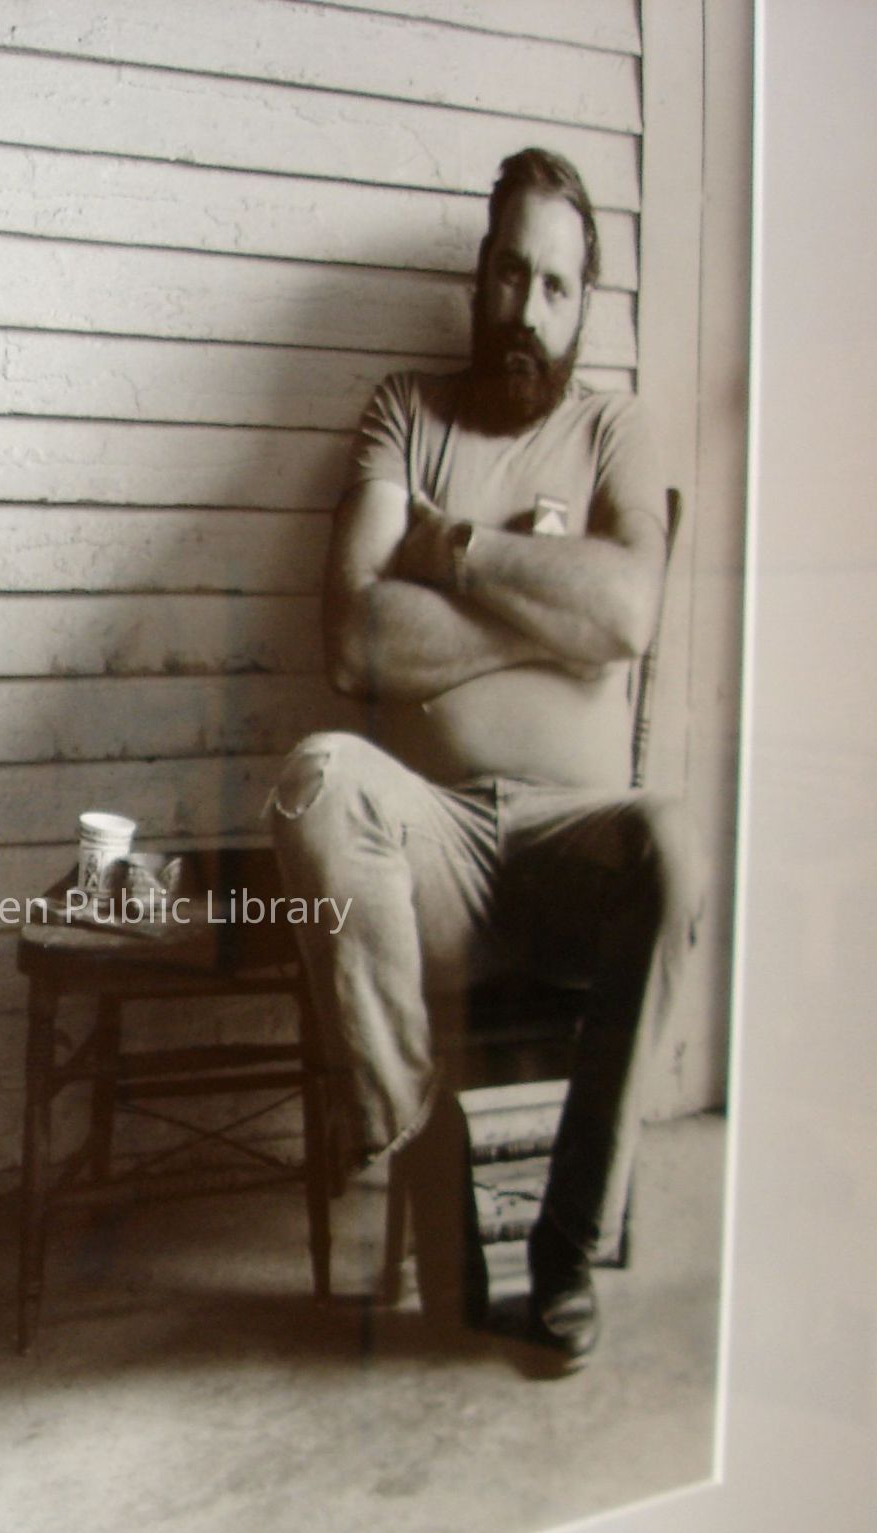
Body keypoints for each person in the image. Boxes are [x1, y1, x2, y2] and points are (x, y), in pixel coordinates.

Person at [271, 147, 696, 1373]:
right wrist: (548, 607)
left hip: (578, 846)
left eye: (555, 287)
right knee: (318, 781)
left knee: (679, 844)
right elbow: (352, 639)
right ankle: (426, 1156)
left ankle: (565, 1248)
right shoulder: (405, 412)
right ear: (479, 277)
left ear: (583, 305)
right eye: (511, 274)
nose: (527, 310)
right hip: (432, 848)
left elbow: (626, 613)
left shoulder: (616, 429)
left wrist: (453, 554)